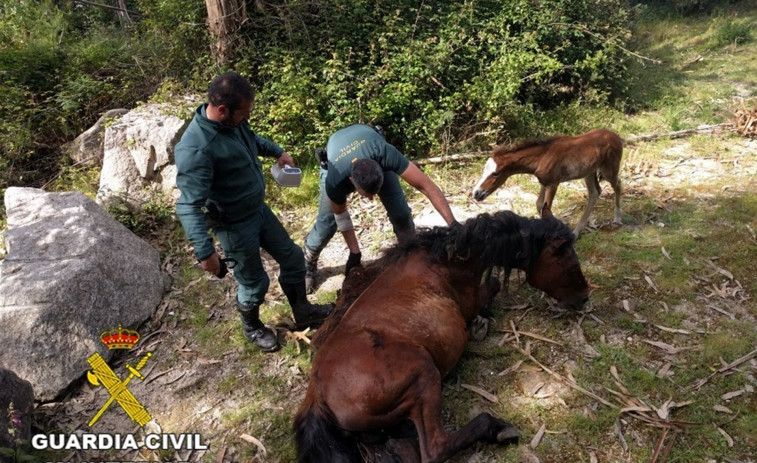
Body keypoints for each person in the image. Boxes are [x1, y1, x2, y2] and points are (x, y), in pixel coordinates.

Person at [174, 72, 332, 353]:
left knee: (294, 259)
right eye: (243, 113)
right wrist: (204, 252)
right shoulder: (197, 148)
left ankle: (303, 312)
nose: (247, 118)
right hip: (233, 224)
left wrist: (277, 152)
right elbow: (188, 205)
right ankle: (252, 327)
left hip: (258, 210)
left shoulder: (233, 123)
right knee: (255, 282)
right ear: (222, 110)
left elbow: (251, 138)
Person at [303, 123, 459, 292]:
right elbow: (341, 215)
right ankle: (308, 259)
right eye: (367, 195)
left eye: (375, 192)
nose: (372, 199)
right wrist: (355, 253)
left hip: (371, 148)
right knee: (327, 222)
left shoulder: (385, 154)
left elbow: (427, 187)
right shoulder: (336, 180)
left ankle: (410, 255)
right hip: (335, 160)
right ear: (351, 182)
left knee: (401, 213)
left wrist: (453, 225)